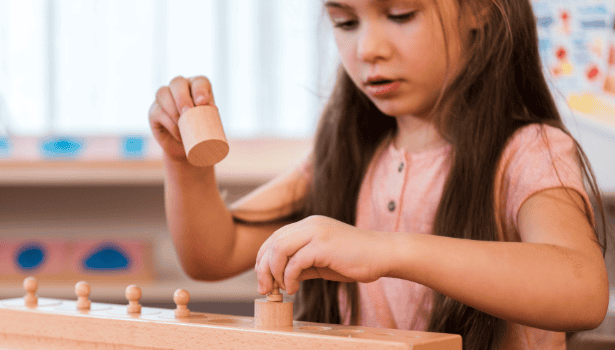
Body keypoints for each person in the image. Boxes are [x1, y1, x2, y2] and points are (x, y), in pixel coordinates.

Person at [147, 0, 610, 349]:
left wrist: (386, 249)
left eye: (401, 14)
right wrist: (186, 167)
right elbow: (215, 253)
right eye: (345, 22)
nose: (368, 49)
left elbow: (584, 291)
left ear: (478, 10)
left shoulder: (530, 151)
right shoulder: (343, 154)